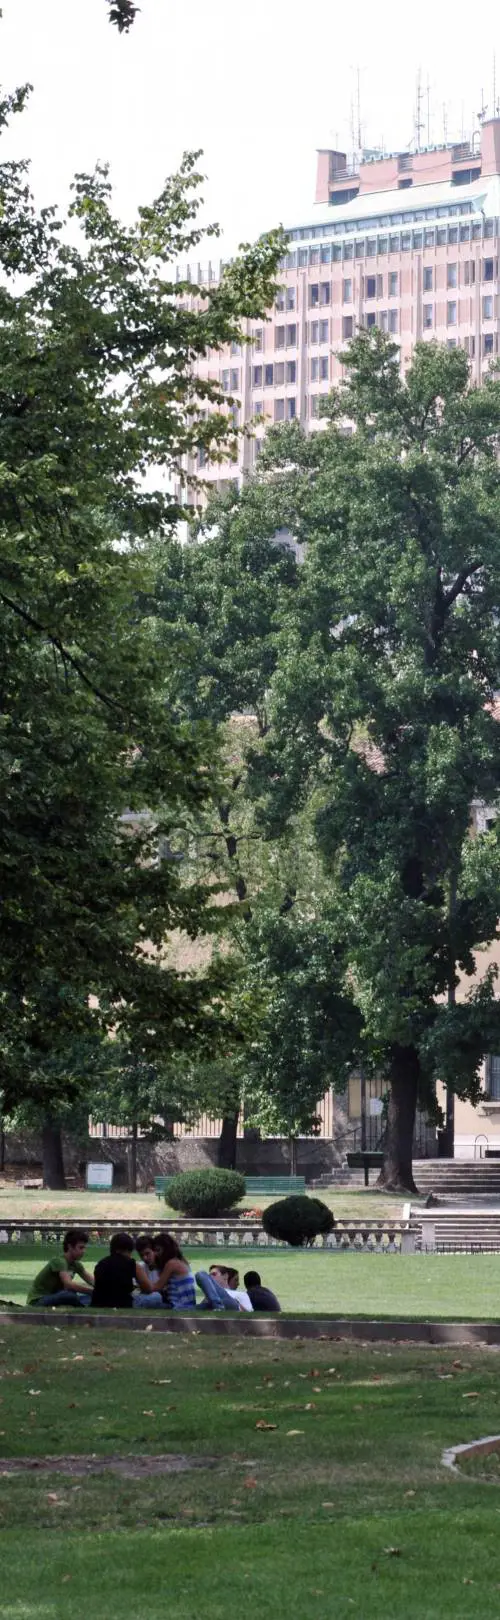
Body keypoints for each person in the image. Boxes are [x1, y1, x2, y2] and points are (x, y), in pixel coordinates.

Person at [27, 1229, 93, 1308]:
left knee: (81, 1296)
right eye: (81, 1248)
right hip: (39, 1300)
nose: (84, 1251)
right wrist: (92, 1292)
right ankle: (82, 1306)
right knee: (69, 1295)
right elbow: (68, 1284)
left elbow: (92, 1280)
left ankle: (83, 1305)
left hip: (57, 1297)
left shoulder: (76, 1265)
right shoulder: (59, 1261)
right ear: (70, 1247)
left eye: (84, 1248)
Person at [91, 1231, 154, 1309]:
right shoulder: (132, 1264)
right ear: (128, 1250)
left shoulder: (100, 1264)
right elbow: (148, 1288)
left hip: (98, 1304)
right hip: (123, 1305)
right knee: (156, 1297)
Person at [153, 1233, 196, 1310]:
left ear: (166, 1249)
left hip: (178, 1305)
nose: (156, 1254)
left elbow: (157, 1287)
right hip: (187, 1304)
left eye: (158, 1250)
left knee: (146, 1300)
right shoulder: (182, 1261)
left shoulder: (171, 1264)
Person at [132, 1234, 165, 1309]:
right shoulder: (140, 1267)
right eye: (141, 1255)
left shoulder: (164, 1267)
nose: (145, 1258)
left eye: (147, 1253)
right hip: (148, 1298)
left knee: (157, 1296)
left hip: (160, 1299)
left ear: (154, 1251)